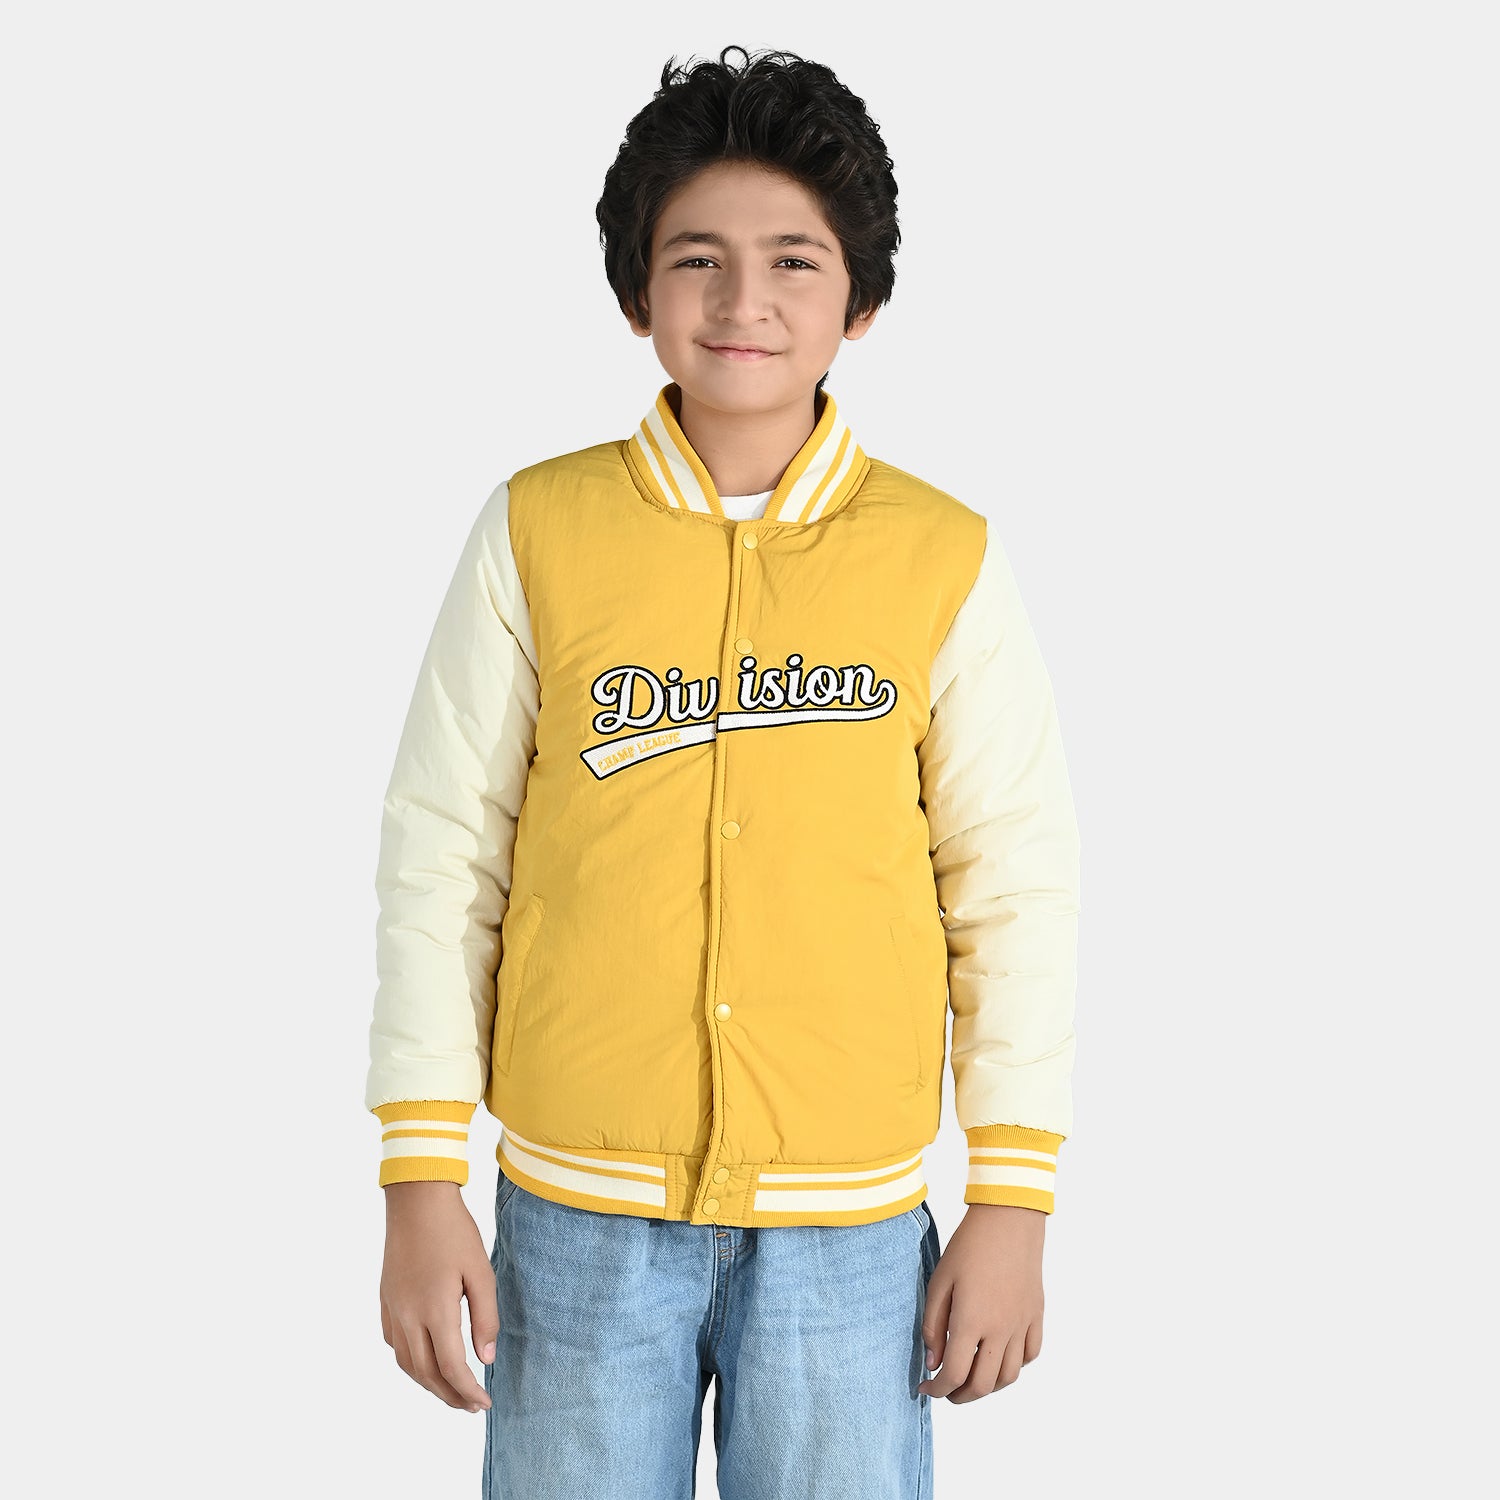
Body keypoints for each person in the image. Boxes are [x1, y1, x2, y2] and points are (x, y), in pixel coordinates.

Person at [365, 43, 1081, 1499]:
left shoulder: (940, 555)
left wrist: (1012, 1195)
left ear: (860, 301)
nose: (743, 301)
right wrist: (419, 1178)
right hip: (574, 1217)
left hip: (851, 1230)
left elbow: (1010, 882)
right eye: (696, 258)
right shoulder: (538, 530)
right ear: (636, 292)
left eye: (793, 262)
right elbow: (443, 853)